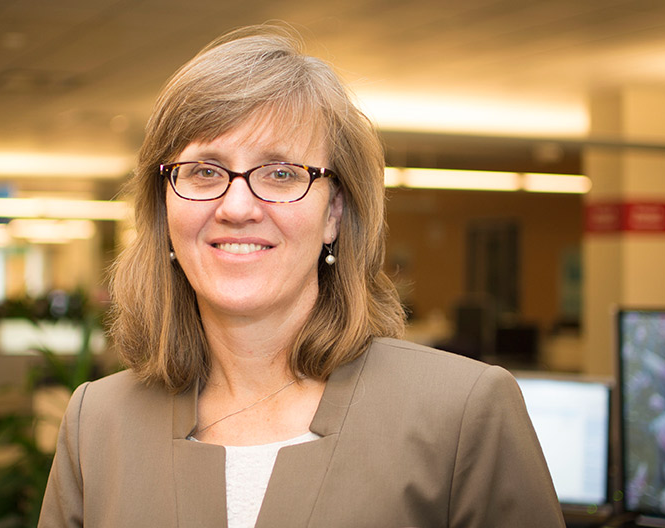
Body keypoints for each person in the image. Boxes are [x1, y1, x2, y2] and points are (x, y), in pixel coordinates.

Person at [39, 25, 564, 528]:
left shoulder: (462, 411)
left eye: (282, 173)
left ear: (334, 211)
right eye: (204, 171)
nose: (237, 206)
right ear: (165, 207)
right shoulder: (97, 423)